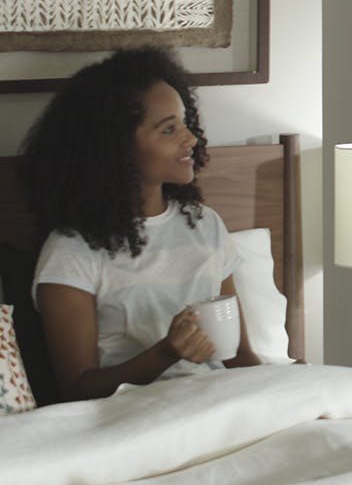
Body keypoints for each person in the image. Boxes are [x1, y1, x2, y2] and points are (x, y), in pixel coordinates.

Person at [22, 46, 259, 401]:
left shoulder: (205, 225)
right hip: (132, 416)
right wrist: (165, 353)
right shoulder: (72, 250)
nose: (190, 138)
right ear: (114, 148)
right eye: (168, 129)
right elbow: (76, 388)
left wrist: (284, 385)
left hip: (218, 403)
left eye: (185, 122)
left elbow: (238, 356)